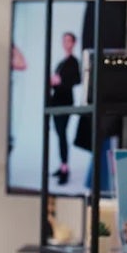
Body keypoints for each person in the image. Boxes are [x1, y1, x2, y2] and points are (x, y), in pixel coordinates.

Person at [50, 32, 81, 185]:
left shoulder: (74, 62)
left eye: (68, 41)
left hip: (65, 102)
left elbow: (77, 79)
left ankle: (65, 168)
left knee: (62, 135)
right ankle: (62, 165)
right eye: (64, 41)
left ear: (73, 43)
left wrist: (61, 81)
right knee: (59, 134)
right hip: (56, 102)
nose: (65, 43)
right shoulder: (61, 63)